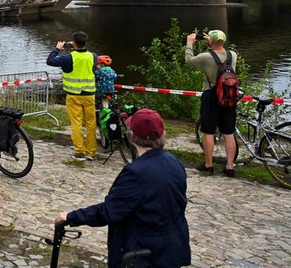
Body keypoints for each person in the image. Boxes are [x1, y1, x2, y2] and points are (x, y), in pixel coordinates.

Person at [55, 109, 191, 268]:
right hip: (172, 247)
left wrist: (70, 217)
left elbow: (110, 211)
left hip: (145, 253)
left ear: (132, 136)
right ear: (163, 133)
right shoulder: (173, 161)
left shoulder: (136, 173)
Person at [185, 29, 239, 177]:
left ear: (211, 42)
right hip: (229, 97)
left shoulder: (206, 57)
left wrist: (189, 43)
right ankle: (229, 167)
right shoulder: (233, 55)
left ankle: (208, 165)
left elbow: (188, 60)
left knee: (208, 131)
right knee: (228, 132)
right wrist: (213, 42)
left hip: (211, 96)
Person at [47, 31, 98, 160]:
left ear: (73, 43)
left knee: (76, 123)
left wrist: (57, 49)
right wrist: (76, 45)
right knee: (91, 123)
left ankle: (79, 151)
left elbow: (50, 61)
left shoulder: (68, 58)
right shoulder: (93, 56)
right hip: (89, 95)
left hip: (74, 95)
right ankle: (91, 152)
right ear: (85, 42)